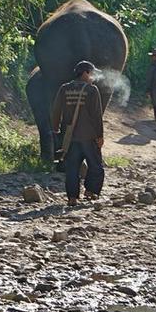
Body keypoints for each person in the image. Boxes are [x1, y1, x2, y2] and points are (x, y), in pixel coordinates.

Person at [50, 60, 105, 206]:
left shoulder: (64, 88)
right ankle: (90, 191)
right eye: (91, 73)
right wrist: (100, 135)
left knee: (72, 169)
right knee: (96, 166)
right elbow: (96, 116)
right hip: (89, 136)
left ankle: (72, 197)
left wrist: (56, 128)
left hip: (70, 137)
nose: (93, 76)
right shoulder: (92, 90)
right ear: (85, 73)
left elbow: (56, 111)